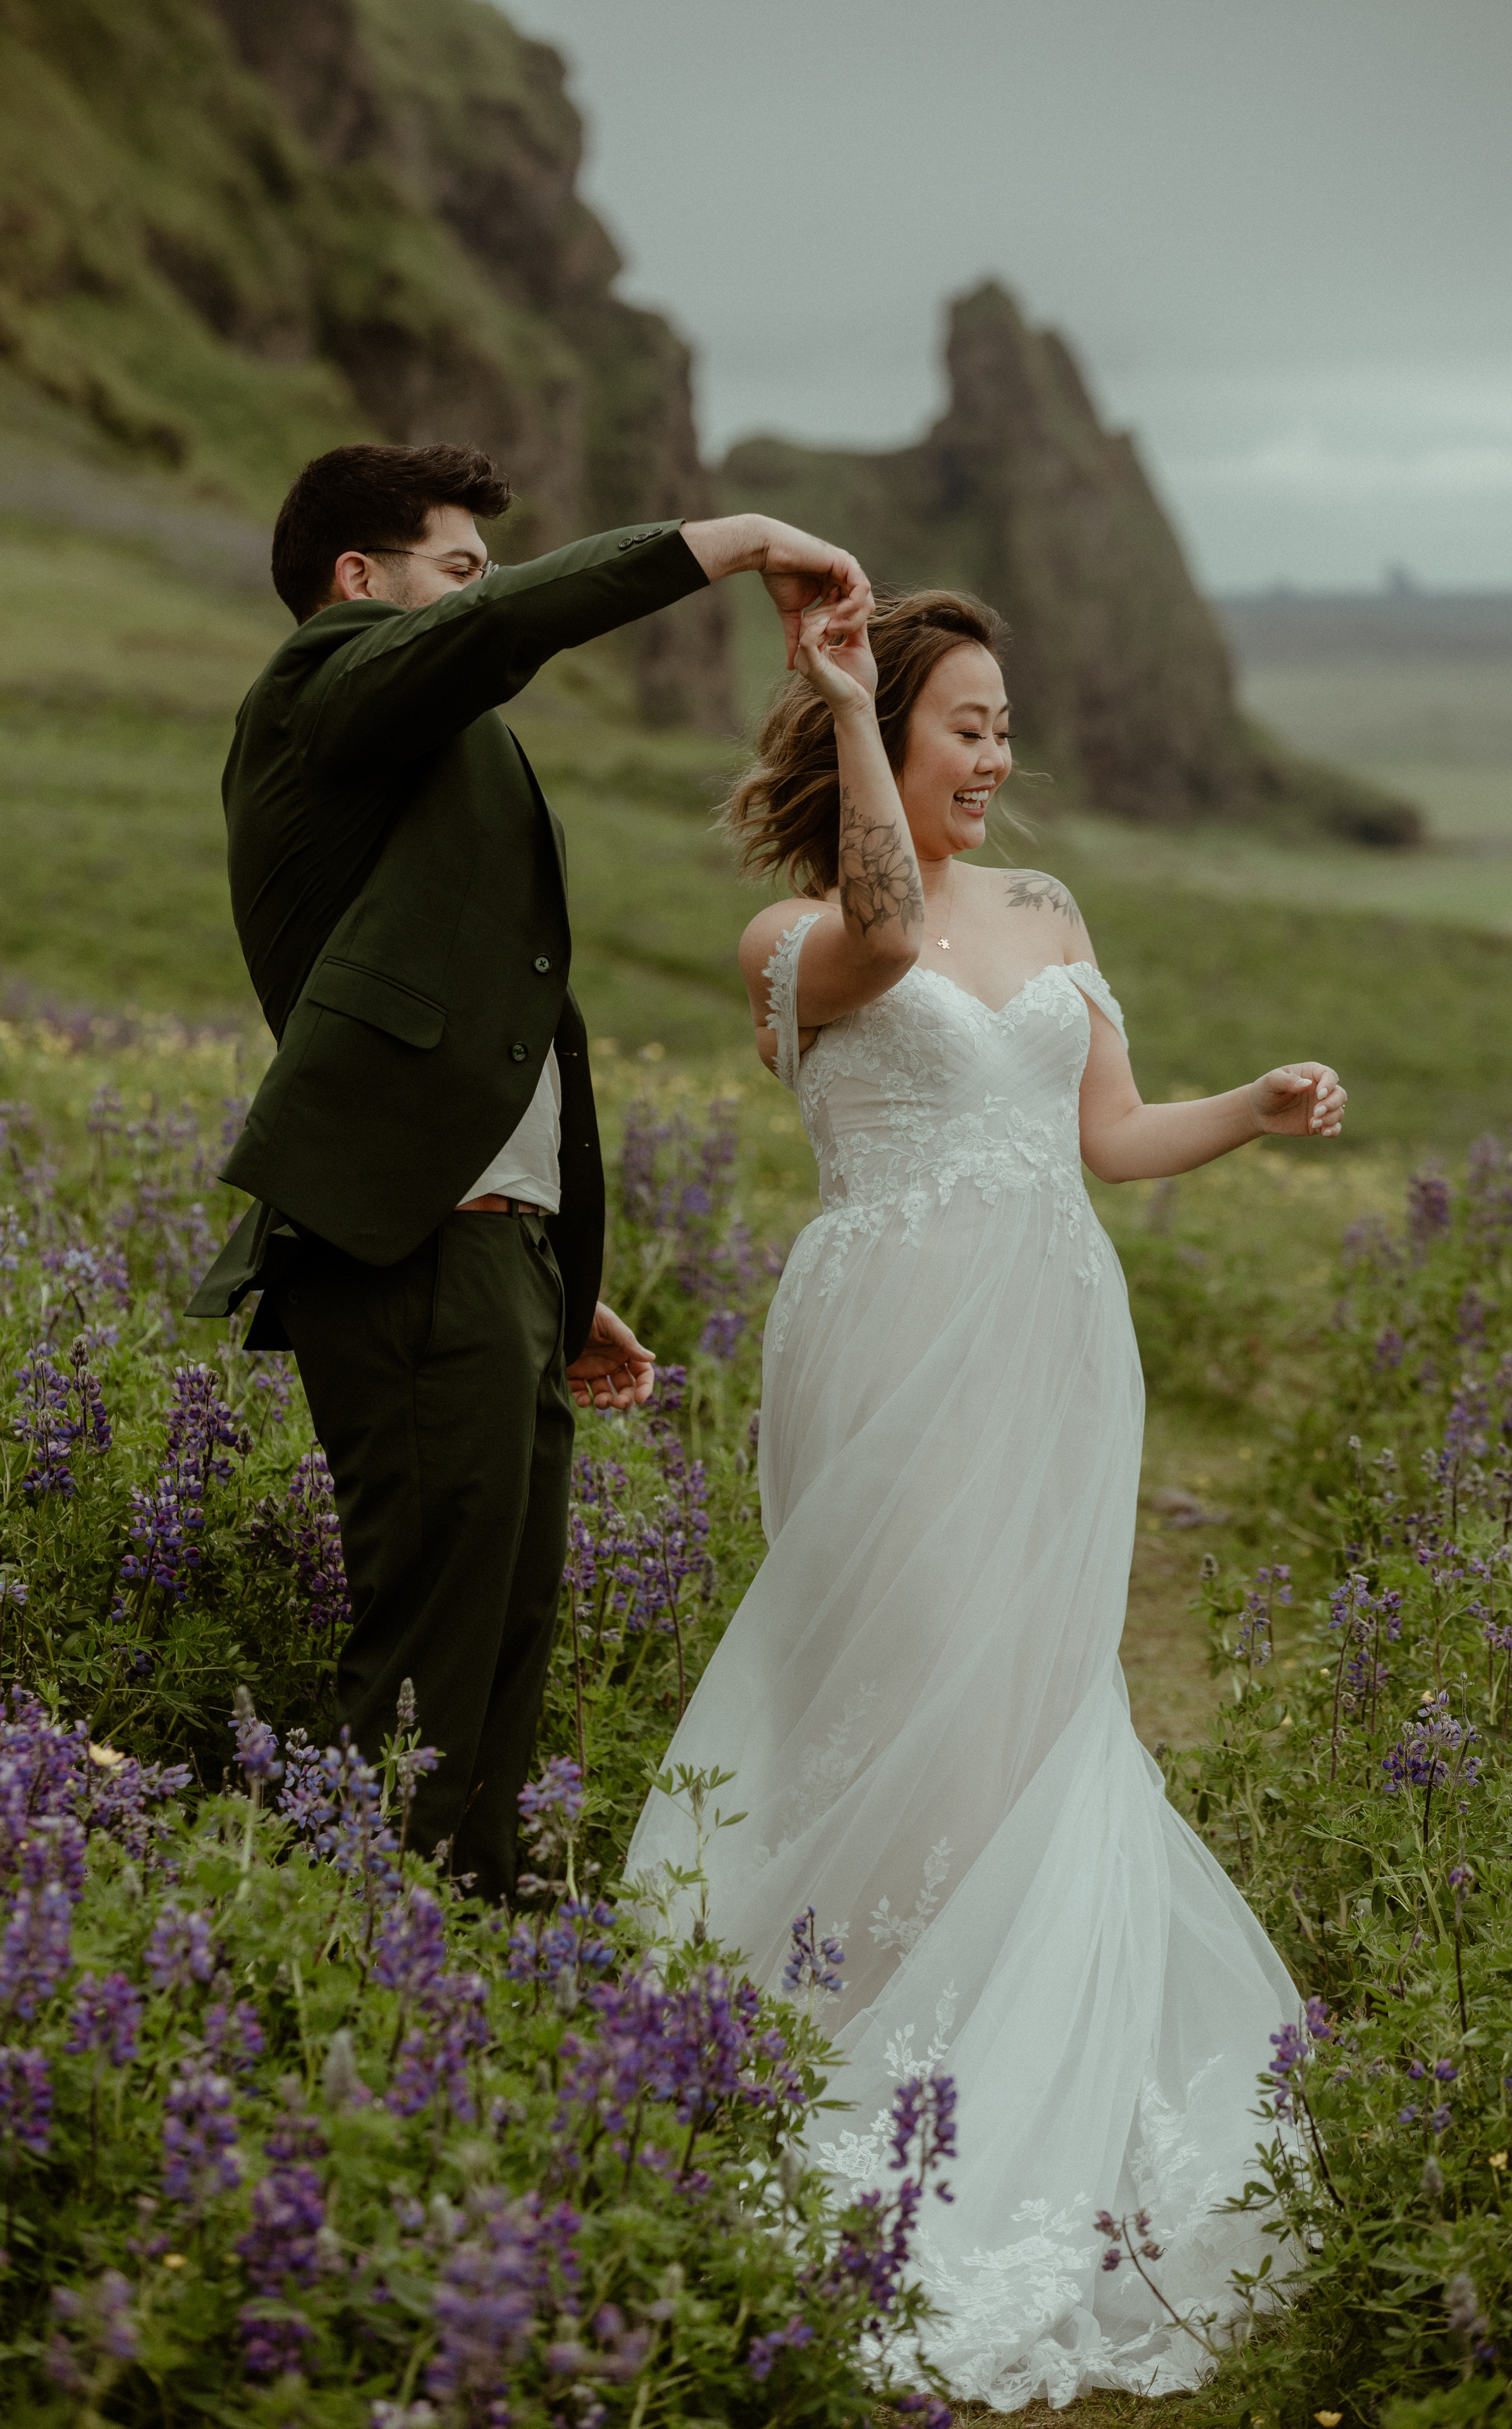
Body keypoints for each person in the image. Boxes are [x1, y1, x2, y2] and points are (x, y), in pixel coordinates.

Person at [624, 588, 1346, 2406]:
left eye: (1005, 726)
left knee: (1036, 1681)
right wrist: (847, 701)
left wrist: (1250, 1108)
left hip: (1055, 1336)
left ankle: (1034, 2038)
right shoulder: (795, 936)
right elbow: (885, 926)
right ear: (877, 735)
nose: (996, 756)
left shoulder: (1045, 908)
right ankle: (871, 2026)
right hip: (891, 1336)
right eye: (966, 725)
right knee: (904, 1670)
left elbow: (1105, 1137)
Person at [187, 440, 871, 1901]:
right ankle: (363, 1948)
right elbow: (503, 630)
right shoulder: (319, 687)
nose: (475, 596)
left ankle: (468, 1940)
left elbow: (484, 1011)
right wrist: (732, 540)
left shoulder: (408, 750)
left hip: (486, 1241)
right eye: (452, 569)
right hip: (409, 1247)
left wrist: (549, 1258)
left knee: (501, 1636)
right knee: (430, 1650)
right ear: (356, 581)